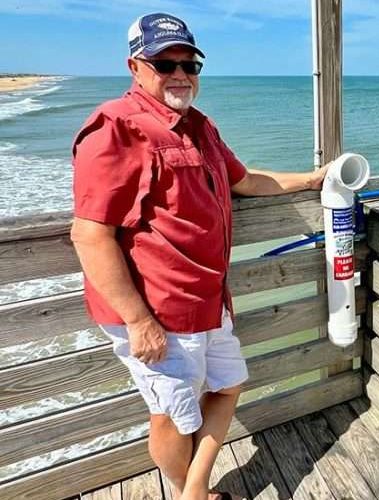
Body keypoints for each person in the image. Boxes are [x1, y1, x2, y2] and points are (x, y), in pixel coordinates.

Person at [70, 13, 329, 500]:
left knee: (228, 387)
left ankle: (193, 492)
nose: (181, 74)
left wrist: (312, 179)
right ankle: (191, 491)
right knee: (171, 415)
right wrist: (138, 319)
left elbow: (245, 180)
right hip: (159, 309)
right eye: (165, 63)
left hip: (208, 298)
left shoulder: (200, 127)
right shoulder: (116, 130)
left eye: (190, 63)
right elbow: (90, 235)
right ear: (135, 65)